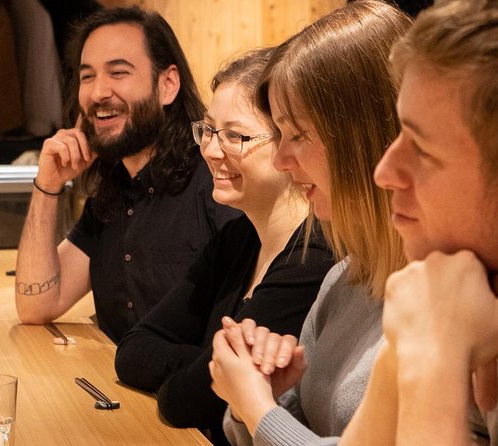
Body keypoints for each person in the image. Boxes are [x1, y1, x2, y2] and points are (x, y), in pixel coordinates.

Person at [208, 1, 411, 444]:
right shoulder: (344, 279)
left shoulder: (444, 300)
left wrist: (256, 407)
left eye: (297, 134)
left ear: (366, 137)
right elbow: (298, 421)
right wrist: (268, 395)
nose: (282, 159)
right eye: (278, 135)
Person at [114, 48, 335, 445]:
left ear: (288, 144)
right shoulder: (238, 238)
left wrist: (206, 375)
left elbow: (185, 402)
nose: (212, 151)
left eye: (236, 136)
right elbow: (132, 350)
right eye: (210, 130)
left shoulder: (314, 257)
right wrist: (209, 364)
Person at [337, 0, 498, 444]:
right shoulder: (483, 306)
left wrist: (432, 358)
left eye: (421, 149)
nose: (383, 172)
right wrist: (399, 354)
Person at [14, 6, 240, 343]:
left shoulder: (215, 184)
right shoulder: (113, 191)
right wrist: (47, 185)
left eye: (118, 72)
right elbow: (36, 305)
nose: (97, 93)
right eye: (87, 76)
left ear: (167, 85)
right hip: (112, 391)